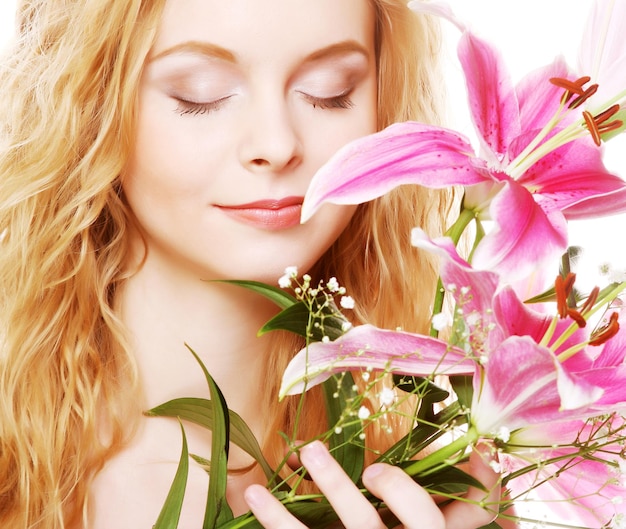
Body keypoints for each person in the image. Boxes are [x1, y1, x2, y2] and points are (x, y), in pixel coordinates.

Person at [0, 0, 502, 527]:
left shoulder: (448, 487)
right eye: (201, 94)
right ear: (90, 104)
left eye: (332, 92)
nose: (277, 145)